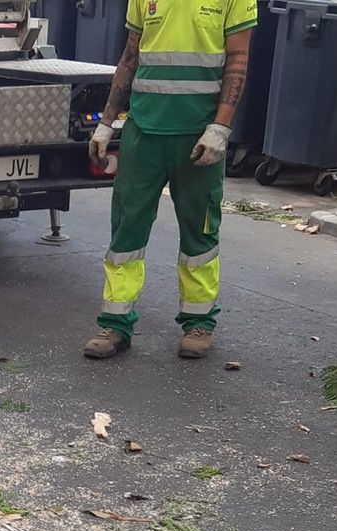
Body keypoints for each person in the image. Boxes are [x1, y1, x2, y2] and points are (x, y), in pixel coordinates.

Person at [84, 0, 255, 359]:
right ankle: (115, 324)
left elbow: (237, 60)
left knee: (199, 230)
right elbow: (130, 57)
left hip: (198, 134)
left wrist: (221, 127)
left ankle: (199, 323)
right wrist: (106, 121)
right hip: (144, 131)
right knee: (127, 229)